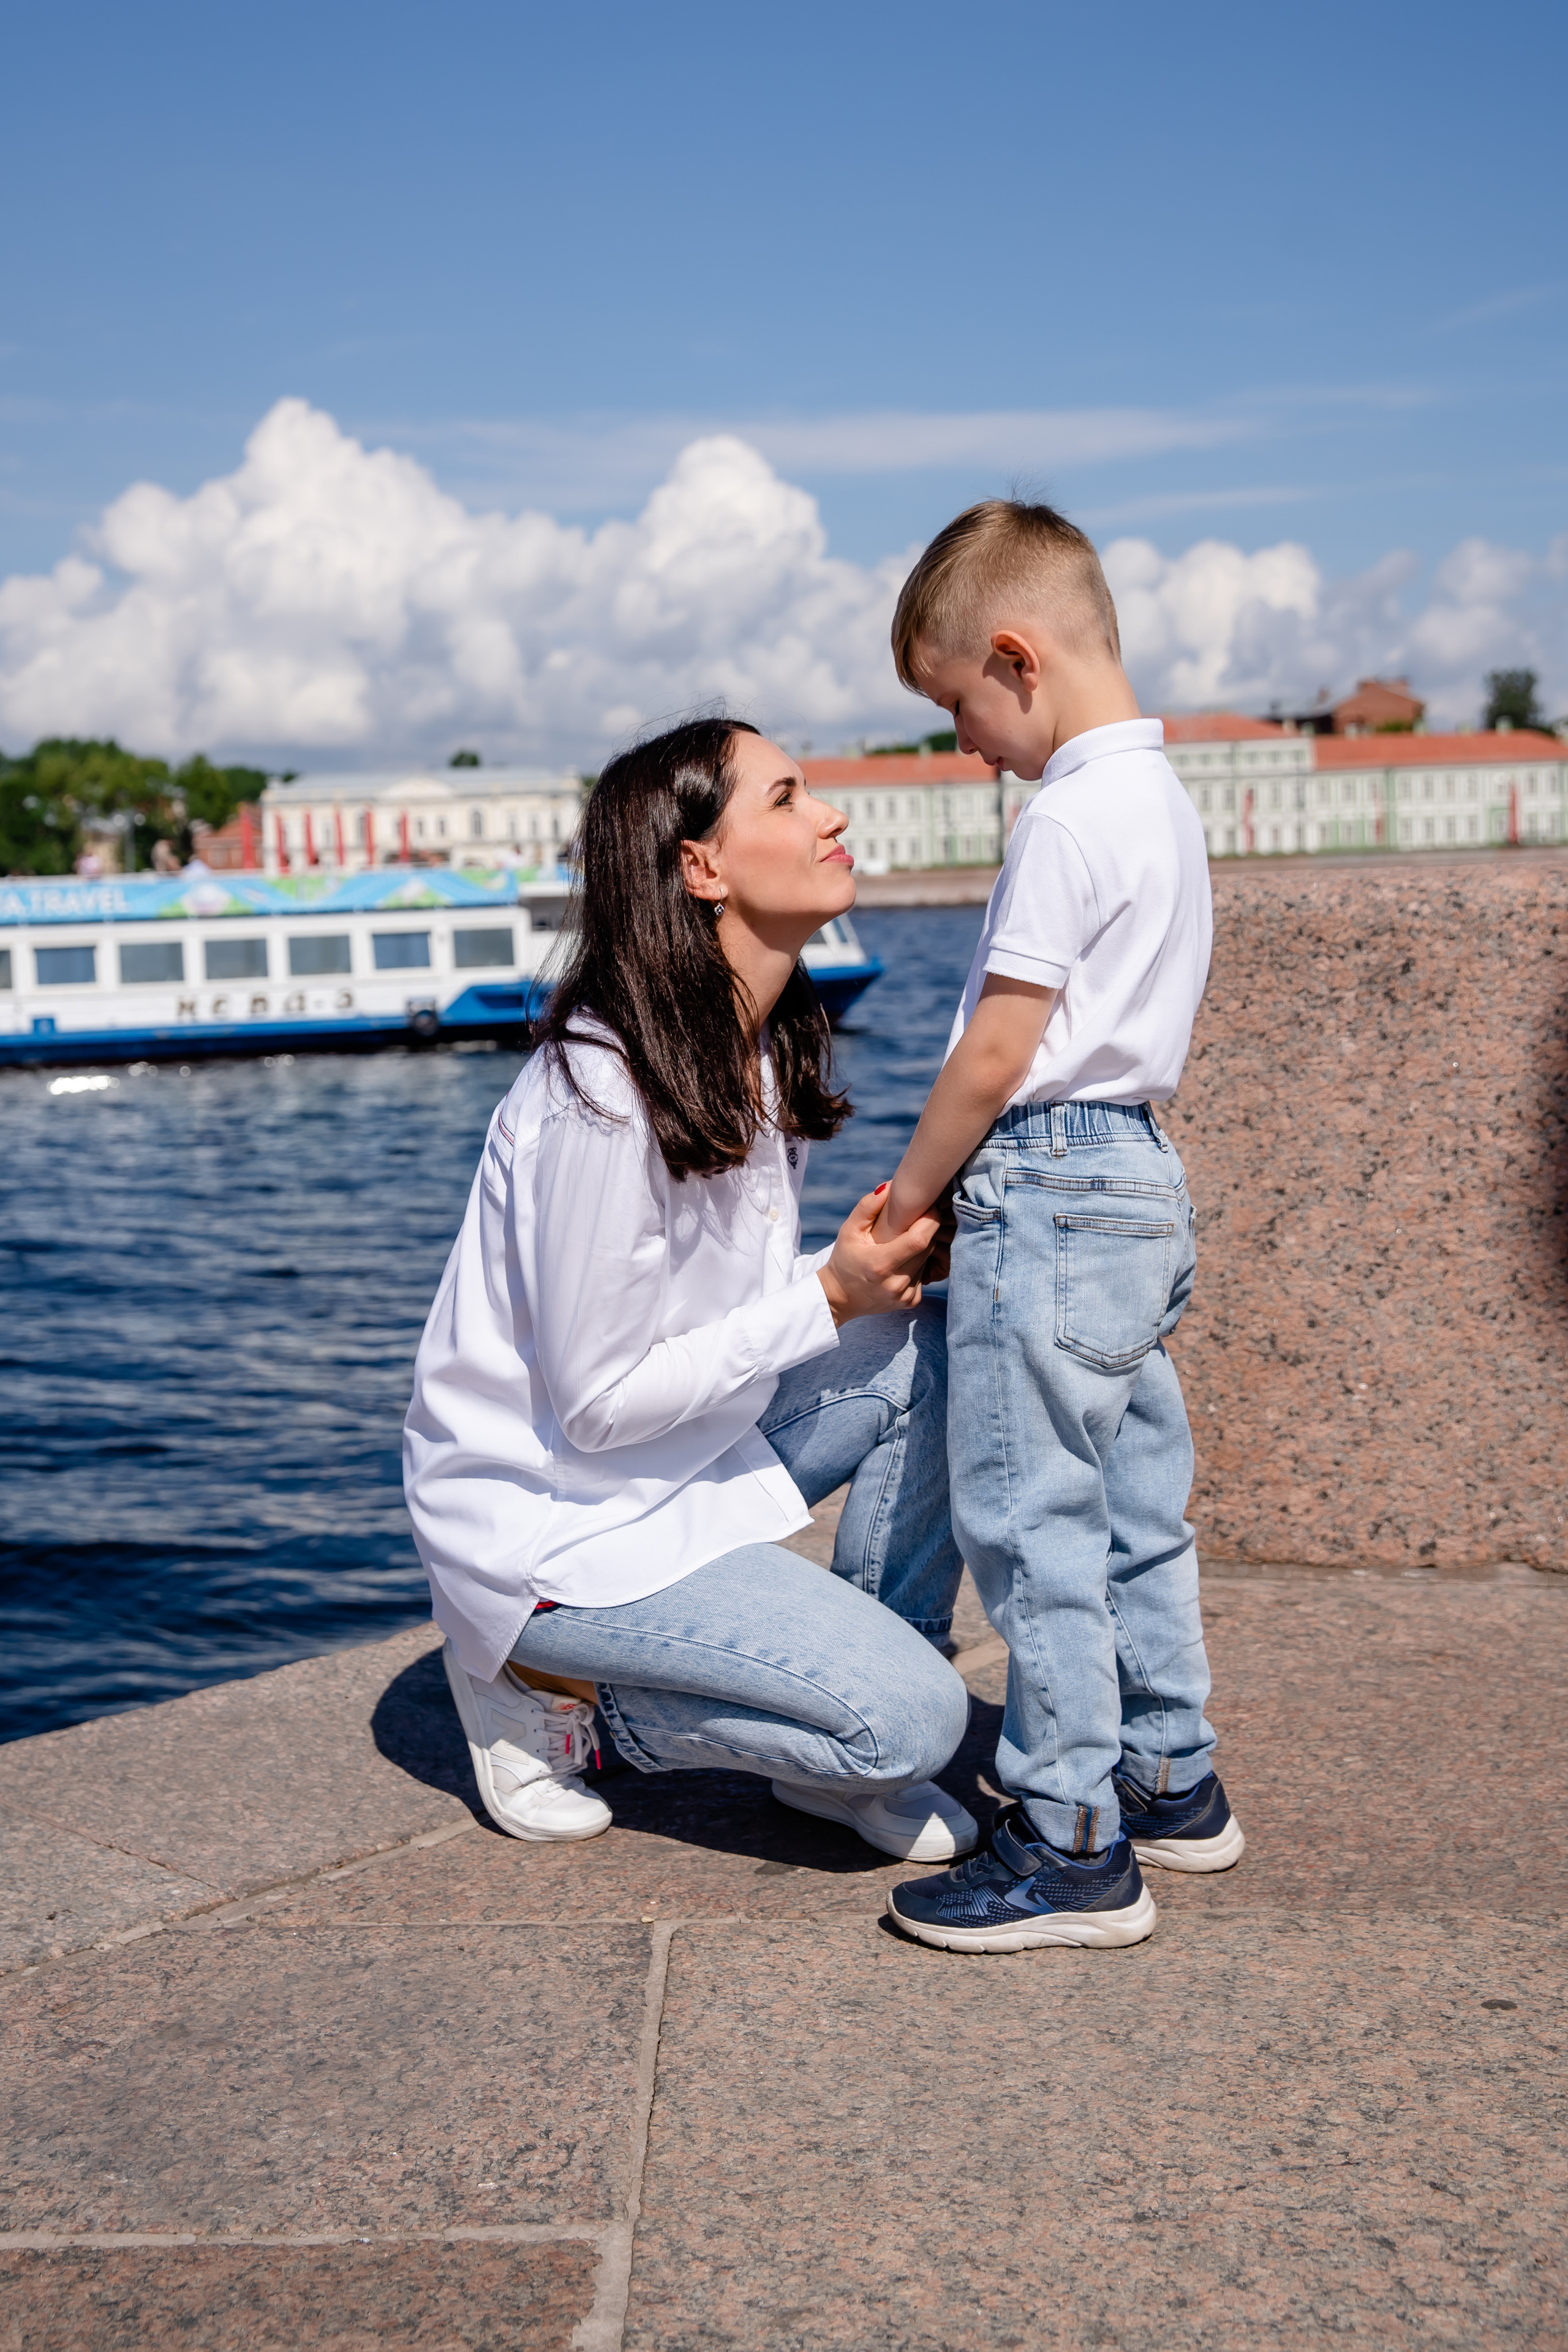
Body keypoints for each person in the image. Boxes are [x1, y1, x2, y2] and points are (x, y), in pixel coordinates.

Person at [404, 717, 974, 1861]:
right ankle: (549, 1690)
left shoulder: (753, 1051)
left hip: (678, 1464)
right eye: (787, 798)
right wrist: (826, 1296)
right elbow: (599, 1401)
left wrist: (863, 1276)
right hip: (560, 1527)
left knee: (943, 1344)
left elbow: (717, 1318)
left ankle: (849, 1706)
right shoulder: (600, 1096)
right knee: (917, 1723)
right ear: (700, 868)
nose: (832, 816)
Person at [870, 500, 1245, 1956]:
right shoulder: (1163, 805)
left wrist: (914, 1199)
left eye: (956, 704)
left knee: (1034, 1524)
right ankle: (1171, 1773)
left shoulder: (1064, 820)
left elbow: (993, 1052)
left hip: (1049, 1176)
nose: (963, 745)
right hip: (1141, 1177)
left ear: (1015, 661)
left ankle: (1071, 1840)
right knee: (1140, 1500)